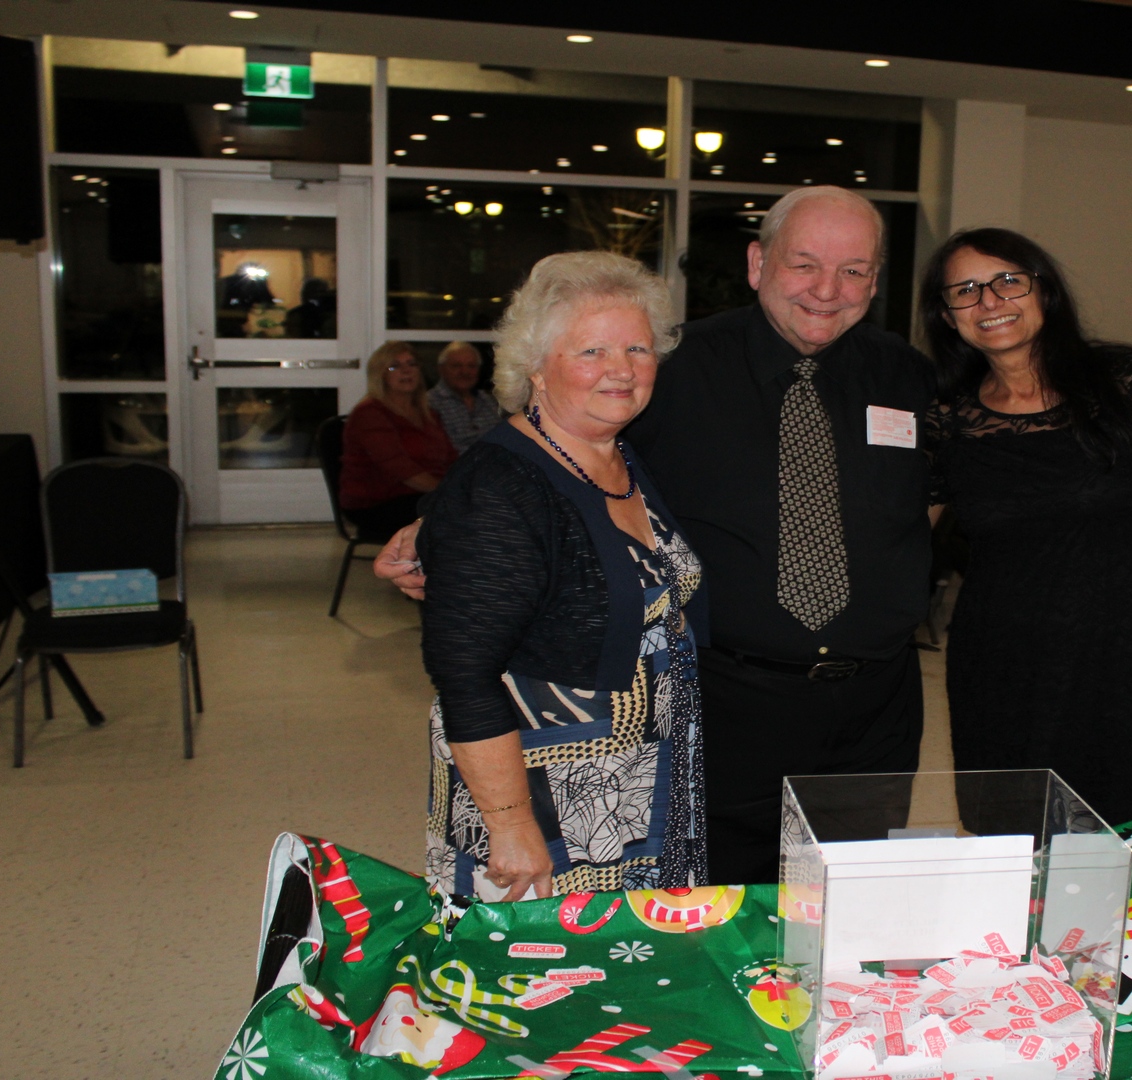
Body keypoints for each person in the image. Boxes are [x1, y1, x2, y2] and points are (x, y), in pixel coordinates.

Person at [377, 187, 939, 886]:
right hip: (729, 700)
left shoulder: (908, 374)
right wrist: (438, 525)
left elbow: (940, 492)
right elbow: (544, 447)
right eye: (804, 265)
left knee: (848, 896)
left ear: (876, 280)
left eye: (854, 270)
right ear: (758, 264)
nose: (827, 290)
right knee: (718, 903)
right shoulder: (670, 367)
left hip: (877, 705)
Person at [418, 251, 705, 900]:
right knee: (539, 963)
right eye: (592, 351)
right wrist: (508, 823)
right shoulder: (501, 485)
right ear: (535, 368)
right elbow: (464, 673)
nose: (621, 369)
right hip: (545, 798)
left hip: (642, 780)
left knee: (631, 960)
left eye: (637, 348)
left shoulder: (620, 453)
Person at [919, 228, 1132, 830]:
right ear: (948, 316)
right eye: (966, 291)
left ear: (1044, 292)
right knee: (1006, 835)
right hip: (997, 657)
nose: (989, 301)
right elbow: (902, 532)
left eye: (1008, 281)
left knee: (1123, 832)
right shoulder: (946, 415)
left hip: (1118, 650)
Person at [340, 342, 457, 536]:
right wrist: (448, 493)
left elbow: (451, 457)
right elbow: (401, 469)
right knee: (462, 514)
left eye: (412, 364)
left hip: (422, 495)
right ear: (380, 374)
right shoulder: (370, 413)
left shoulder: (428, 413)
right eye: (395, 366)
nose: (406, 371)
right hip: (377, 503)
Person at [428, 341, 504, 453]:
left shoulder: (489, 401)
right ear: (441, 369)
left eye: (471, 366)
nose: (465, 371)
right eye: (456, 366)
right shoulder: (429, 403)